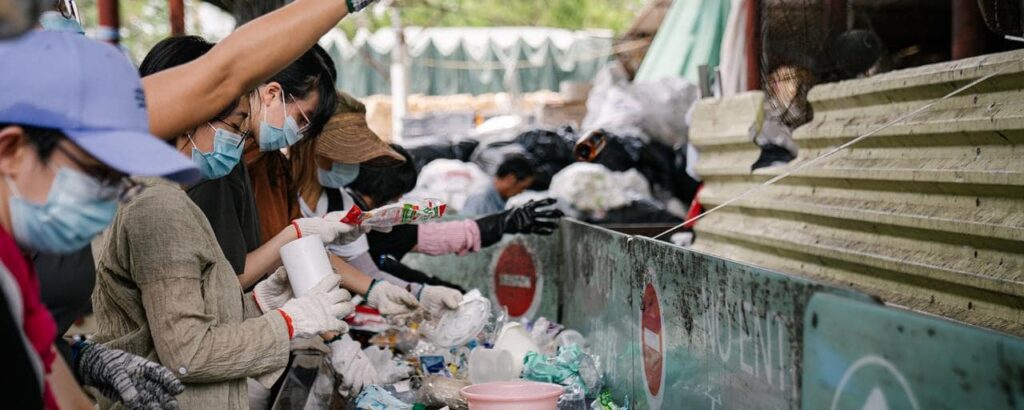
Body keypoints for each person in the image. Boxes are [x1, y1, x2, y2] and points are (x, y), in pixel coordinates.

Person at [0, 30, 196, 409]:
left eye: (116, 181)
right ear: (11, 150)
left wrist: (79, 358)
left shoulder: (15, 261)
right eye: (95, 173)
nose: (104, 200)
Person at [341, 145, 564, 296]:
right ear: (384, 185)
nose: (399, 199)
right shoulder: (346, 217)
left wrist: (506, 222)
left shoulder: (379, 223)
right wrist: (428, 292)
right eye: (399, 191)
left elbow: (438, 237)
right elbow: (371, 273)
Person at [461, 155, 536, 216]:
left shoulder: (498, 197)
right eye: (522, 188)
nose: (521, 192)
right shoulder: (480, 198)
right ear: (510, 179)